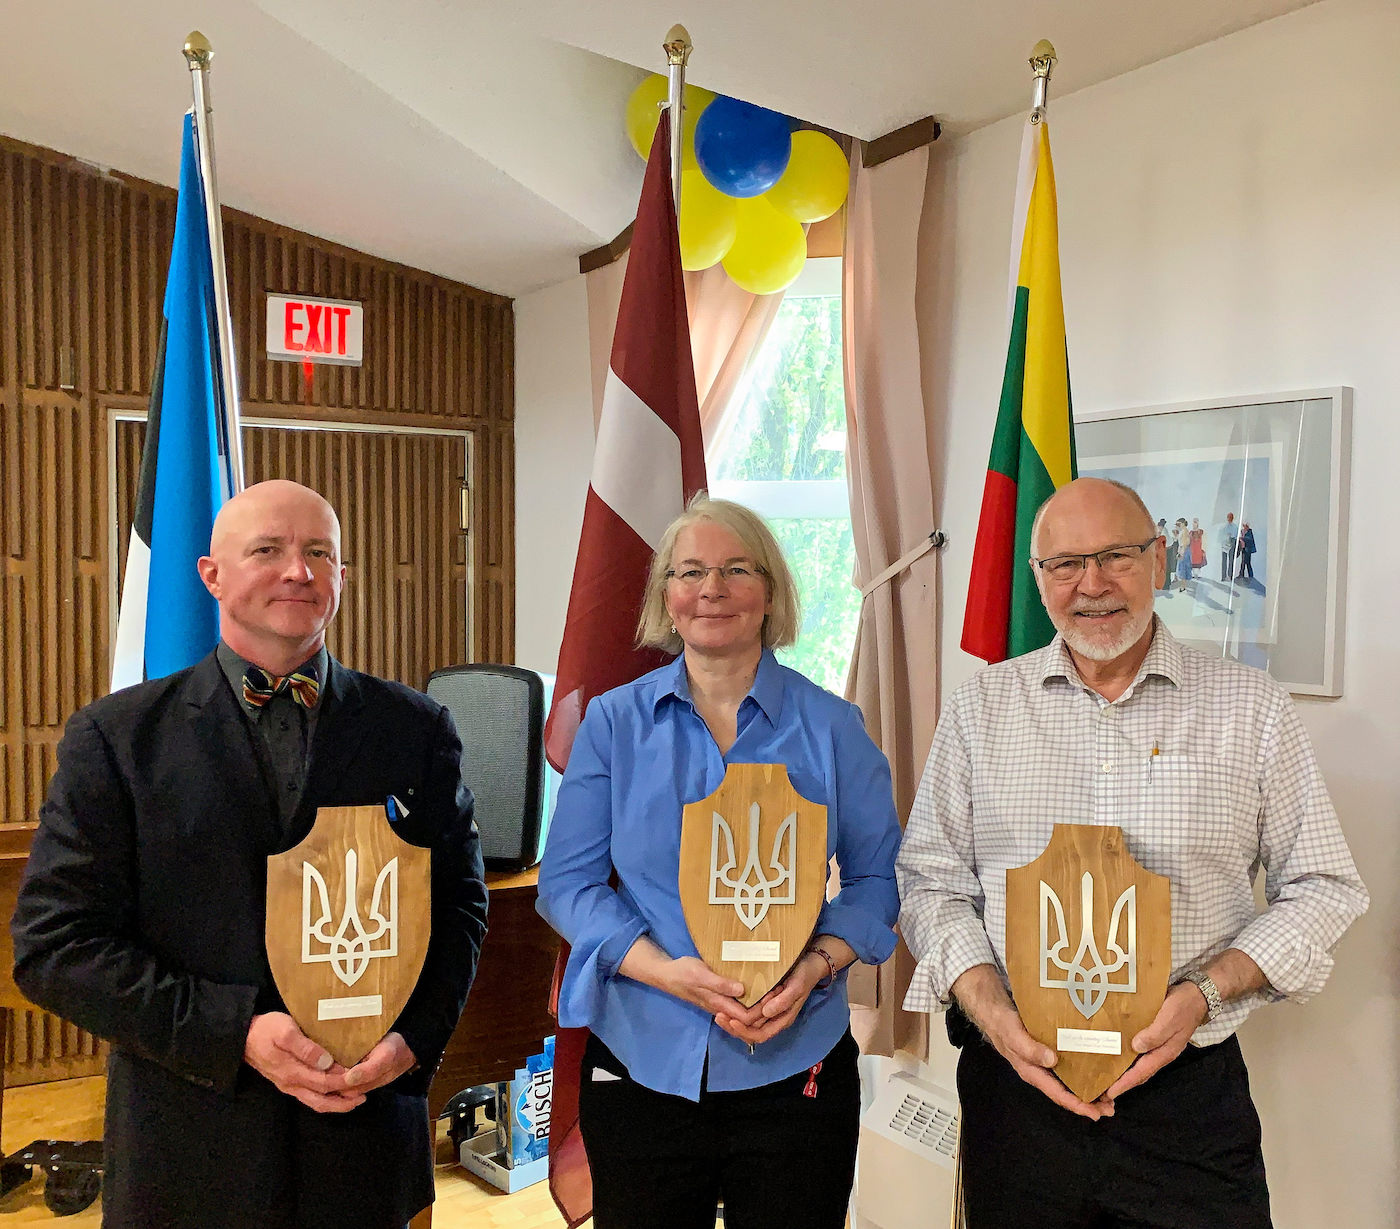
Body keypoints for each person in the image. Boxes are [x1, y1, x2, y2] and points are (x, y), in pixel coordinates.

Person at [12, 480, 489, 1229]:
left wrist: (413, 1040)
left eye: (319, 552)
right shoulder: (117, 737)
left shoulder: (415, 728)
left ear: (341, 574)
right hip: (192, 1153)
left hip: (365, 1143)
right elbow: (54, 946)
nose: (298, 571)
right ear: (211, 575)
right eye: (268, 550)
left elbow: (459, 905)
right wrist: (235, 1031)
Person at [897, 476, 1367, 1229]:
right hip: (1018, 1093)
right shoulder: (980, 708)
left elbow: (1323, 884)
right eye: (1066, 564)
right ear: (1038, 577)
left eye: (1116, 555)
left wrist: (1203, 995)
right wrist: (990, 1009)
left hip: (1185, 1100)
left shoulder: (1250, 708)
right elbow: (929, 878)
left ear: (1157, 561)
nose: (1093, 584)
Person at [537, 495, 900, 1229]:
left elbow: (876, 881)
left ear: (770, 593)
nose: (713, 588)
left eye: (737, 569)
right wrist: (662, 969)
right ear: (666, 598)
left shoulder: (834, 727)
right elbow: (567, 884)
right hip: (642, 1061)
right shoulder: (612, 722)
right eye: (691, 571)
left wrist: (815, 967)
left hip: (796, 1062)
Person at [1216, 511, 1238, 581]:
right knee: (1224, 561)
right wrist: (1224, 540)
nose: (1229, 519)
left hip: (1232, 544)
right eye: (1229, 517)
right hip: (1224, 544)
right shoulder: (1223, 527)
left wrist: (1232, 539)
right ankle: (1223, 576)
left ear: (1233, 518)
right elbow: (1220, 536)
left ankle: (1230, 576)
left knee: (1231, 561)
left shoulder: (1235, 527)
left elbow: (1236, 536)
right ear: (1227, 518)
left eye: (1231, 517)